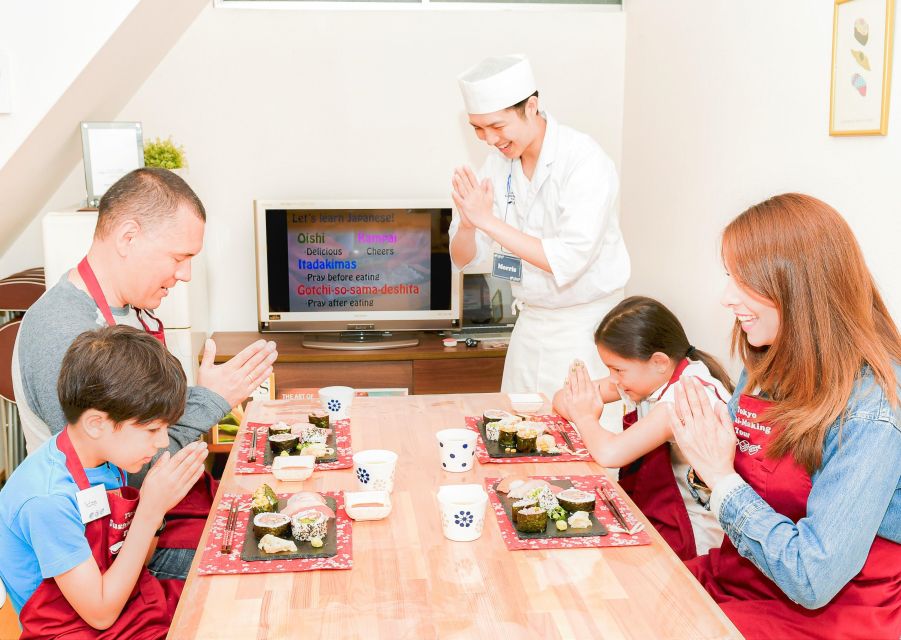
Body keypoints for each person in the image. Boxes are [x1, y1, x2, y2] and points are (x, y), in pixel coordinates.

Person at [11, 167, 277, 579]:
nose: (186, 274)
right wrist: (210, 401)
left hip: (148, 521)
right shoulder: (63, 332)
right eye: (179, 257)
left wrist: (200, 395)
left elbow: (142, 425)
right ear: (128, 238)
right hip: (106, 554)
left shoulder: (126, 311)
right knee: (267, 560)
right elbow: (134, 466)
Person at [670, 194, 901, 639]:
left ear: (799, 287)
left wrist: (720, 478)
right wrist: (706, 460)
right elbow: (736, 478)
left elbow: (812, 577)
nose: (725, 298)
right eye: (727, 277)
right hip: (745, 578)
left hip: (832, 610)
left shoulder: (873, 404)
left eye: (743, 280)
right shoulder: (767, 354)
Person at [0, 325, 208, 639]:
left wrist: (158, 512)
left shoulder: (103, 458)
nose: (163, 442)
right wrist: (150, 511)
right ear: (97, 423)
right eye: (152, 430)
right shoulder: (47, 500)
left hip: (128, 605)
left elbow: (132, 558)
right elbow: (100, 615)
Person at [449, 54, 630, 399]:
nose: (488, 139)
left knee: (579, 441)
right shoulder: (495, 166)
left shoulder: (583, 160)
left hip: (586, 330)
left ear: (531, 107)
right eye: (478, 129)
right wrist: (470, 226)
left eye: (497, 126)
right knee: (515, 438)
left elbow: (569, 259)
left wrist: (487, 220)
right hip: (529, 327)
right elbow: (464, 260)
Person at [554, 296, 732, 559]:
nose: (613, 380)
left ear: (659, 361)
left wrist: (585, 417)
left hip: (694, 533)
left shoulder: (685, 396)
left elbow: (610, 454)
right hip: (658, 508)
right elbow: (562, 399)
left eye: (618, 370)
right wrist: (580, 404)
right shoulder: (649, 377)